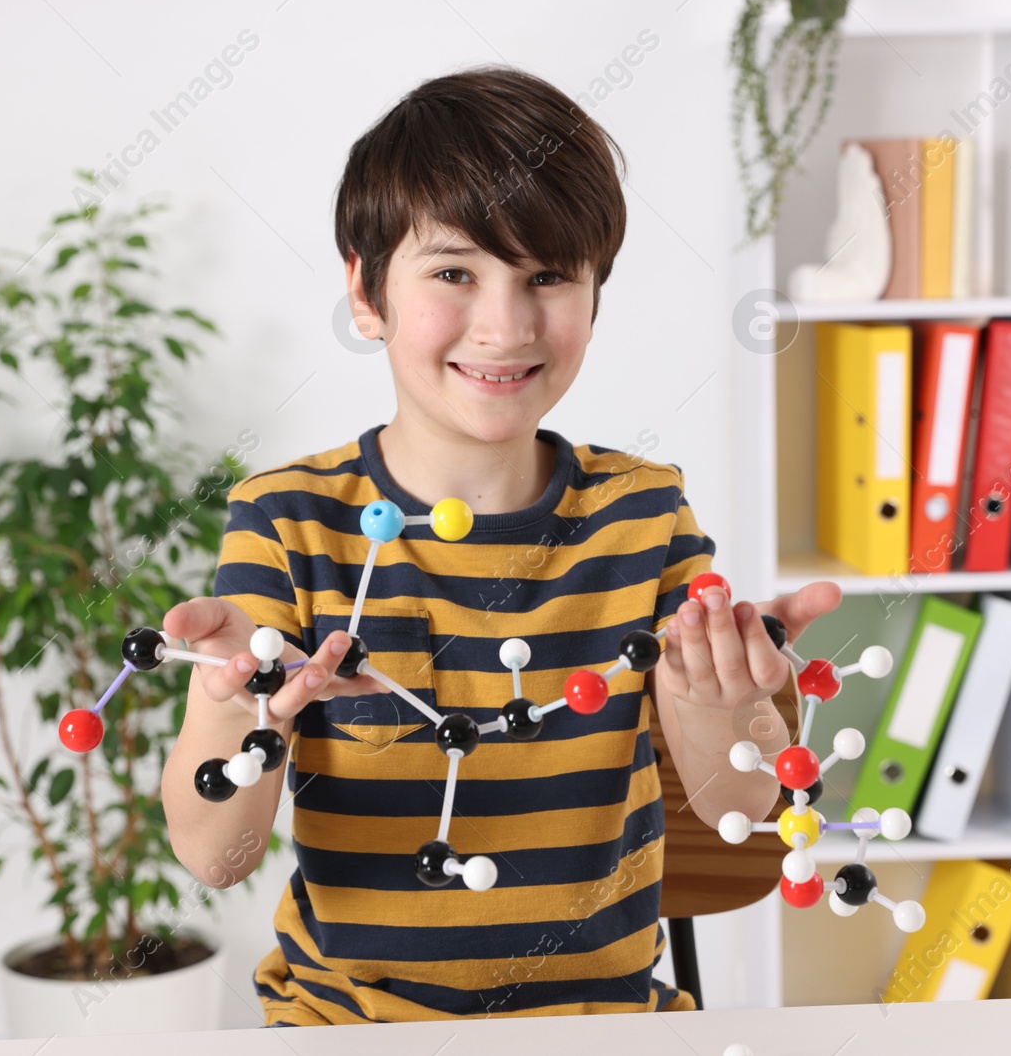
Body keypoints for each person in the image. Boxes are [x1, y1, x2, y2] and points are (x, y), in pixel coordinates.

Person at [160, 64, 840, 1026]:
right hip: (347, 1025)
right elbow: (212, 855)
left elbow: (737, 810)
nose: (506, 324)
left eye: (548, 276)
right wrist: (231, 711)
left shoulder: (644, 516)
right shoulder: (288, 524)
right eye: (453, 272)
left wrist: (733, 708)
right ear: (366, 291)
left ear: (595, 294)